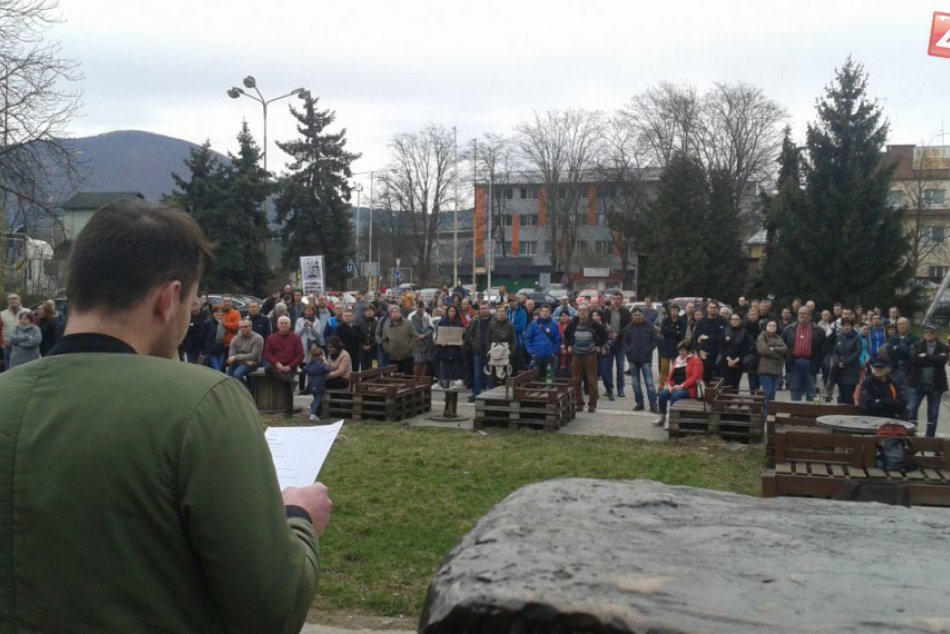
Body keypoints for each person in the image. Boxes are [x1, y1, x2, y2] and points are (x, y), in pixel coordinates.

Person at [0, 200, 331, 631]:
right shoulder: (206, 401)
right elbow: (272, 610)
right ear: (169, 299)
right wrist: (299, 520)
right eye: (192, 302)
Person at [564, 304, 607, 413]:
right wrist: (568, 345)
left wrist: (598, 345)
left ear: (588, 312)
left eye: (584, 310)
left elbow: (604, 335)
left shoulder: (594, 324)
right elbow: (566, 335)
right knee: (576, 381)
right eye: (580, 310)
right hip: (576, 354)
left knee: (592, 381)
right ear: (577, 311)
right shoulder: (573, 323)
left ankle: (592, 405)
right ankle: (579, 404)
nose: (582, 312)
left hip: (590, 355)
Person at [908, 323, 948, 437]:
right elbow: (915, 360)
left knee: (933, 414)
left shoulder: (943, 346)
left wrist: (926, 356)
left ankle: (929, 439)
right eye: (926, 332)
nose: (928, 334)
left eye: (931, 332)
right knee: (912, 410)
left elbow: (942, 361)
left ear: (937, 333)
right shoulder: (917, 345)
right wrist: (933, 360)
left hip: (935, 385)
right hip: (918, 384)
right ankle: (912, 435)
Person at [654, 341, 703, 427]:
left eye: (683, 351)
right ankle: (662, 416)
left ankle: (671, 419)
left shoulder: (696, 360)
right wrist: (669, 385)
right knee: (662, 394)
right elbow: (671, 375)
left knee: (675, 396)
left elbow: (695, 377)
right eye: (679, 350)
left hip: (689, 388)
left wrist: (682, 386)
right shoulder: (677, 360)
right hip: (675, 386)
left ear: (689, 351)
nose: (681, 353)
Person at [781, 306, 826, 402]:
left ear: (809, 316)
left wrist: (819, 364)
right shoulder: (788, 329)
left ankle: (810, 414)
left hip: (811, 363)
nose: (801, 315)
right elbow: (783, 347)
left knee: (811, 390)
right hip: (794, 363)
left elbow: (823, 350)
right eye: (800, 313)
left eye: (804, 313)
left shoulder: (819, 331)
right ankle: (795, 412)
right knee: (795, 389)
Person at [264, 315, 305, 417]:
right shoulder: (271, 338)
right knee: (269, 371)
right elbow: (267, 354)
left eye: (286, 323)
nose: (283, 325)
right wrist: (277, 364)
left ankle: (288, 411)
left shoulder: (296, 338)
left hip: (290, 366)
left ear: (290, 325)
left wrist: (290, 366)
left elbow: (300, 355)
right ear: (278, 325)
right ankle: (289, 381)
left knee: (287, 385)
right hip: (276, 366)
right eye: (281, 323)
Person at [624, 307, 659, 413]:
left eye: (639, 315)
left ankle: (653, 404)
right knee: (635, 383)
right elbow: (625, 342)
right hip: (633, 359)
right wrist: (628, 351)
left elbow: (654, 340)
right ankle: (639, 403)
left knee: (649, 383)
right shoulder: (629, 327)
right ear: (633, 316)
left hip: (646, 359)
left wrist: (649, 350)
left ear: (643, 315)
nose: (637, 317)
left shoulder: (649, 327)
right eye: (635, 315)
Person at [689, 300, 727, 384]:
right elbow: (694, 340)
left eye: (715, 308)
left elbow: (724, 337)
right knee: (705, 382)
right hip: (704, 357)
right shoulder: (701, 322)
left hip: (719, 356)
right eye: (711, 307)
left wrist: (708, 338)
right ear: (707, 308)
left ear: (718, 309)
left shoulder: (724, 321)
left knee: (719, 382)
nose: (713, 309)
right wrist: (699, 351)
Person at [756, 320, 788, 415]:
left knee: (773, 394)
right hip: (765, 370)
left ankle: (770, 414)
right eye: (770, 325)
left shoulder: (779, 337)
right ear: (766, 326)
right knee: (768, 393)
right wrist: (777, 354)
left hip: (777, 370)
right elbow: (762, 350)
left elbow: (785, 349)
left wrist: (773, 348)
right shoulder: (762, 336)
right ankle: (767, 414)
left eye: (774, 325)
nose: (772, 327)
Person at [605, 292, 632, 398]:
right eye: (614, 298)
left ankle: (620, 389)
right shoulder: (607, 311)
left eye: (618, 298)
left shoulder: (626, 312)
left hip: (621, 343)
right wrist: (610, 334)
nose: (616, 300)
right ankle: (609, 388)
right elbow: (604, 324)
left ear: (621, 300)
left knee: (620, 368)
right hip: (609, 343)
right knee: (608, 367)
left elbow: (628, 326)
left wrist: (618, 334)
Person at [830, 318, 863, 405]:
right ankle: (843, 414)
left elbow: (857, 352)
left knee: (849, 395)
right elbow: (835, 351)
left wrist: (845, 362)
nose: (846, 327)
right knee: (842, 396)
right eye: (844, 325)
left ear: (852, 327)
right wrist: (837, 362)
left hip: (851, 370)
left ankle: (851, 414)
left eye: (848, 325)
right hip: (840, 371)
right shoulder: (839, 337)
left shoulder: (857, 338)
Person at [524, 304, 561, 379]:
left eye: (547, 311)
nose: (545, 313)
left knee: (549, 379)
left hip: (550, 357)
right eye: (543, 311)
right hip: (536, 356)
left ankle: (548, 389)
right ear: (540, 312)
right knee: (534, 379)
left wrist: (554, 352)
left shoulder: (554, 325)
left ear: (550, 313)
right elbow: (528, 339)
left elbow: (557, 340)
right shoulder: (533, 324)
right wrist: (531, 352)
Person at [225, 318, 264, 389]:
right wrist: (245, 360)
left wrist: (236, 357)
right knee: (227, 377)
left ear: (251, 327)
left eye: (245, 327)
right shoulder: (235, 339)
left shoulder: (258, 338)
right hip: (242, 362)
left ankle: (246, 394)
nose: (243, 329)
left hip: (253, 363)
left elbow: (254, 356)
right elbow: (231, 356)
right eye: (241, 327)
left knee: (237, 375)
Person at [719, 312, 753, 391]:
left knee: (735, 383)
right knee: (726, 384)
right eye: (732, 319)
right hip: (726, 361)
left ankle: (734, 399)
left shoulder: (745, 333)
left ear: (741, 321)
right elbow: (721, 347)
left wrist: (736, 360)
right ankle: (726, 401)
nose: (734, 321)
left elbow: (746, 349)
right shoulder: (725, 331)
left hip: (738, 362)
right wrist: (729, 360)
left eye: (736, 319)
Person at [382, 305, 416, 375]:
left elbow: (414, 336)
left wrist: (410, 348)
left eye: (397, 312)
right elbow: (384, 340)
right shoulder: (386, 325)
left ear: (400, 313)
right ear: (390, 314)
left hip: (407, 357)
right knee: (395, 379)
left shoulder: (408, 323)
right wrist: (388, 350)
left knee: (408, 377)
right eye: (393, 312)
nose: (395, 313)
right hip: (393, 357)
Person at [1, 292, 31, 369]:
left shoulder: (28, 312)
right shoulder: (2, 314)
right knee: (9, 369)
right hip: (8, 347)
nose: (12, 300)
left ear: (19, 300)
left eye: (15, 298)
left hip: (24, 347)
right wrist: (2, 344)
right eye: (10, 299)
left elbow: (33, 328)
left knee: (23, 368)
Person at [302, 346, 330, 422]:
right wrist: (324, 361)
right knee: (318, 399)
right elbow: (327, 369)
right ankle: (312, 412)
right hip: (319, 384)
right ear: (320, 355)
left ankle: (313, 410)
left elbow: (304, 370)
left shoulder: (310, 364)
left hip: (311, 384)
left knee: (315, 398)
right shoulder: (321, 364)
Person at [410, 301, 435, 377]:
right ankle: (415, 380)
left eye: (421, 307)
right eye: (418, 307)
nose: (420, 309)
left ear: (424, 308)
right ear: (416, 307)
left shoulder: (427, 316)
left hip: (426, 342)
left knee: (425, 362)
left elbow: (431, 328)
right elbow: (410, 328)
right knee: (417, 363)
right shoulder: (411, 316)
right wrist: (417, 336)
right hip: (416, 342)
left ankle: (422, 380)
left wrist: (425, 335)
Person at [201, 305, 228, 371]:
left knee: (221, 370)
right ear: (213, 313)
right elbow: (202, 337)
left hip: (221, 350)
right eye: (217, 312)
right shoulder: (207, 323)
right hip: (211, 351)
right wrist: (203, 350)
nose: (219, 314)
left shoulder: (223, 323)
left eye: (221, 312)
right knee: (217, 369)